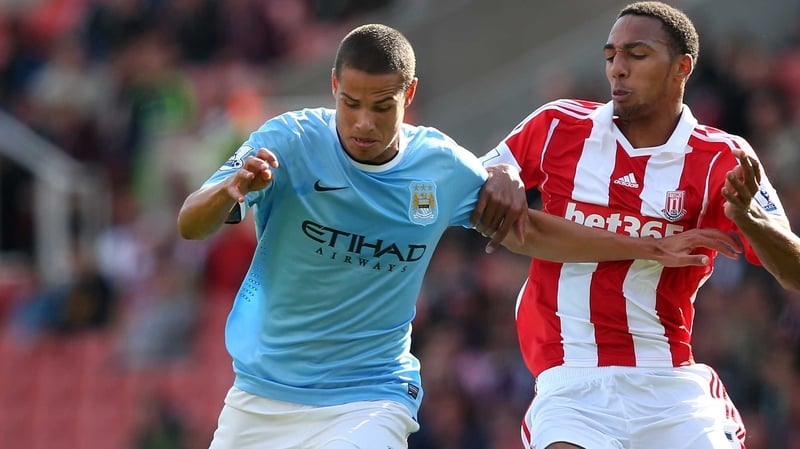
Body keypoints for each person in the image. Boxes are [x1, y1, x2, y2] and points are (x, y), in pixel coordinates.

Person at [177, 23, 740, 449]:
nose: (363, 123)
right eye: (349, 104)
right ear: (333, 88)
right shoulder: (288, 142)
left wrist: (647, 248)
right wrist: (229, 191)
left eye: (382, 106)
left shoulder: (440, 167)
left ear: (410, 95)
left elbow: (529, 231)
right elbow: (189, 222)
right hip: (260, 393)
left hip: (370, 396)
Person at [478, 2, 800, 449]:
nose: (618, 70)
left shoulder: (722, 158)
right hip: (572, 384)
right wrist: (503, 172)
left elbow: (794, 271)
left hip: (669, 384)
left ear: (681, 68)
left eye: (637, 54)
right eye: (611, 56)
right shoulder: (558, 127)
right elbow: (481, 199)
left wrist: (753, 222)